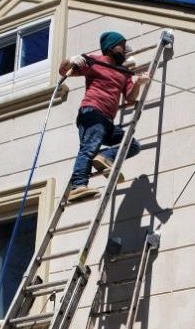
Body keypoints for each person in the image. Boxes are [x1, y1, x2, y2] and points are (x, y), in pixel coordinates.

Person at [59, 31, 149, 201]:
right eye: (121, 46)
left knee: (132, 145)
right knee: (89, 148)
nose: (124, 50)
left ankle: (105, 157)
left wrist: (138, 83)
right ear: (110, 47)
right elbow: (64, 71)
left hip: (106, 121)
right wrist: (71, 60)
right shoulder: (95, 61)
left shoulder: (122, 72)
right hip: (92, 112)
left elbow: (130, 97)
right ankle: (78, 186)